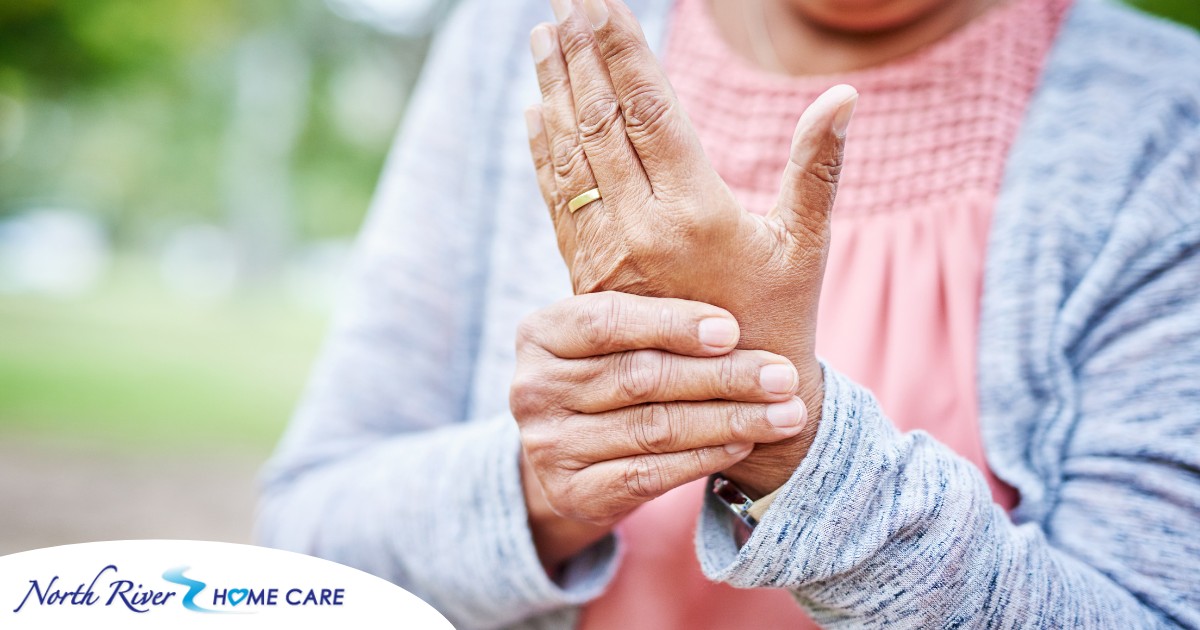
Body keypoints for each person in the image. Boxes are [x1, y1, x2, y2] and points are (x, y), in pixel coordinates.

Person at [257, 0, 1200, 626]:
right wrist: (541, 487)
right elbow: (307, 547)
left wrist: (793, 445)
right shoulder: (531, 33)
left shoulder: (1163, 116)